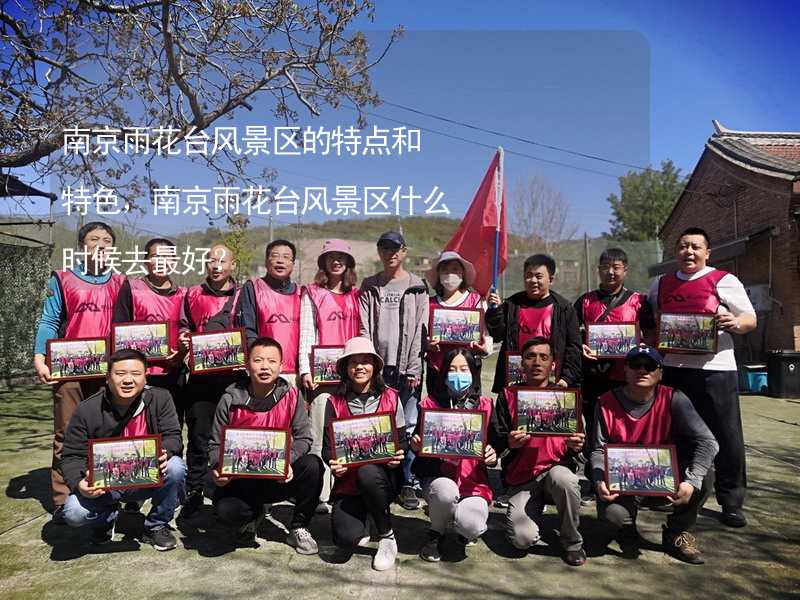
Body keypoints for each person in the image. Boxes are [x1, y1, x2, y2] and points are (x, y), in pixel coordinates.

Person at [648, 227, 756, 528]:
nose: (689, 252)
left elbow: (750, 319)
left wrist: (734, 321)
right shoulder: (660, 284)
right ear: (675, 251)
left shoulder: (724, 280)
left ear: (708, 252)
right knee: (674, 434)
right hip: (674, 370)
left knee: (727, 436)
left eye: (696, 247)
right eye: (683, 246)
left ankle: (731, 500)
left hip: (715, 369)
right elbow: (652, 323)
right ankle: (669, 490)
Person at [590, 345, 719, 564]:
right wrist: (599, 478)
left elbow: (708, 441)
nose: (642, 370)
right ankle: (626, 526)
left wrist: (691, 481)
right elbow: (597, 449)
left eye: (650, 366)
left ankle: (678, 531)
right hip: (623, 481)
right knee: (614, 517)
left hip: (664, 480)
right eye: (635, 365)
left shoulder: (674, 398)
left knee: (705, 477)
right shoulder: (605, 402)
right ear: (625, 371)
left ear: (660, 373)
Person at [33, 221, 126, 524]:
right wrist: (39, 357)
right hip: (69, 370)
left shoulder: (121, 282)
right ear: (81, 245)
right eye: (94, 239)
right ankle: (63, 499)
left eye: (107, 240)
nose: (101, 244)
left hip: (108, 373)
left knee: (110, 434)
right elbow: (49, 321)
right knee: (65, 433)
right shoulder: (62, 279)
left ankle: (110, 495)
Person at [61, 349, 186, 550]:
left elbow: (173, 436)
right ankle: (104, 520)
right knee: (74, 513)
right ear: (108, 378)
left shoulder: (161, 398)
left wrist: (165, 452)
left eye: (136, 374)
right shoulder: (87, 409)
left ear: (146, 377)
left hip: (147, 477)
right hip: (104, 485)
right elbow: (71, 456)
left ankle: (156, 525)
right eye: (120, 374)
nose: (128, 380)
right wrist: (79, 483)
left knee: (176, 467)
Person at [208, 337, 323, 554]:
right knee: (227, 511)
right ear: (246, 364)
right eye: (258, 360)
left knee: (313, 465)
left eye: (271, 361)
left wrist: (289, 461)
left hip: (278, 476)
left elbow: (304, 438)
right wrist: (218, 468)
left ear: (281, 366)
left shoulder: (291, 395)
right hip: (241, 479)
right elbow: (215, 444)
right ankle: (251, 517)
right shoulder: (229, 399)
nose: (264, 366)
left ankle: (298, 526)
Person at [493, 337, 587, 566]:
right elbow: (496, 441)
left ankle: (572, 542)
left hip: (556, 471)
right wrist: (509, 443)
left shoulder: (567, 398)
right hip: (523, 478)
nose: (537, 362)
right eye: (530, 356)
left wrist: (577, 446)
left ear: (553, 365)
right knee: (522, 539)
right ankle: (534, 511)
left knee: (565, 480)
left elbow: (581, 443)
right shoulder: (508, 396)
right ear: (521, 363)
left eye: (544, 357)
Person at [321, 337, 406, 571]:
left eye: (365, 361)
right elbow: (328, 448)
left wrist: (398, 455)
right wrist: (333, 463)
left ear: (375, 367)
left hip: (382, 478)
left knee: (369, 473)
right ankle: (365, 516)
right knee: (347, 538)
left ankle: (387, 536)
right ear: (345, 369)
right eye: (353, 362)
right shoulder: (334, 402)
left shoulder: (392, 396)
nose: (359, 367)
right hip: (348, 481)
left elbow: (403, 442)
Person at [410, 348, 500, 562]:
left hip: (473, 481)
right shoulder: (431, 404)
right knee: (446, 492)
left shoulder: (486, 405)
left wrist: (493, 454)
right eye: (452, 370)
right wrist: (416, 445)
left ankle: (461, 536)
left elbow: (496, 443)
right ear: (443, 374)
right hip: (439, 478)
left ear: (473, 373)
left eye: (463, 369)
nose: (457, 375)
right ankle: (436, 532)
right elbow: (418, 444)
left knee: (472, 523)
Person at [360, 231, 429, 510]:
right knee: (377, 424)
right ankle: (379, 480)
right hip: (378, 367)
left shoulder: (417, 286)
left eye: (396, 248)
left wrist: (413, 366)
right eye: (385, 248)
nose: (391, 253)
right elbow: (364, 326)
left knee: (408, 424)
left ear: (404, 251)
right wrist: (369, 362)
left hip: (407, 368)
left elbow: (420, 329)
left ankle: (407, 482)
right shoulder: (370, 285)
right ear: (379, 252)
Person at [178, 243, 244, 519]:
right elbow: (183, 325)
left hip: (235, 379)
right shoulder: (192, 293)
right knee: (199, 437)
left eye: (222, 261)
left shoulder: (243, 295)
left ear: (232, 266)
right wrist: (184, 338)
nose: (216, 266)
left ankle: (232, 490)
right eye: (211, 261)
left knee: (233, 437)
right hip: (201, 379)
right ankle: (193, 492)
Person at [298, 239, 362, 514]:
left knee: (349, 436)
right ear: (323, 262)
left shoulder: (357, 295)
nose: (336, 261)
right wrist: (305, 369)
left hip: (351, 377)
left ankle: (348, 490)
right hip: (322, 378)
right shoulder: (312, 293)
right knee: (318, 436)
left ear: (349, 263)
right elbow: (307, 333)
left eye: (341, 257)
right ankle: (319, 494)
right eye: (330, 257)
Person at [574, 248, 655, 430]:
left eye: (615, 267)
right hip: (592, 376)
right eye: (605, 267)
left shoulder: (639, 301)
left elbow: (651, 334)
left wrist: (640, 348)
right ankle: (593, 456)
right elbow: (571, 335)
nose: (610, 272)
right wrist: (581, 347)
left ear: (625, 270)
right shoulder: (585, 301)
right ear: (598, 270)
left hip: (626, 376)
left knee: (624, 422)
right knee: (594, 421)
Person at [113, 237, 188, 423]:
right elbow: (119, 329)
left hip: (173, 373)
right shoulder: (132, 288)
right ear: (146, 261)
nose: (162, 261)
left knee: (171, 425)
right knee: (136, 425)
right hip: (138, 373)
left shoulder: (185, 294)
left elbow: (188, 331)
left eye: (167, 257)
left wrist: (181, 353)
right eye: (156, 256)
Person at [486, 254, 582, 395]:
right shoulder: (511, 304)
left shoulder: (564, 308)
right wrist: (495, 310)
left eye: (538, 276)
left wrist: (566, 379)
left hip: (552, 383)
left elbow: (573, 347)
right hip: (515, 381)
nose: (533, 280)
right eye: (529, 275)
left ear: (551, 279)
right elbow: (497, 335)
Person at [424, 251, 493, 395]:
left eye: (455, 269)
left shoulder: (477, 301)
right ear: (438, 274)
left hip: (468, 372)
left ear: (463, 273)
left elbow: (486, 337)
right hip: (437, 370)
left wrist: (484, 350)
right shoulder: (428, 304)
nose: (450, 274)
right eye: (445, 270)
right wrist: (427, 345)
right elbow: (421, 336)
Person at [236, 239, 302, 384]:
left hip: (294, 373)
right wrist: (259, 364)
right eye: (275, 256)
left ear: (293, 264)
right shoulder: (252, 288)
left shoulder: (301, 293)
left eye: (286, 257)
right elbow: (248, 330)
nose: (280, 261)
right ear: (266, 262)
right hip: (263, 372)